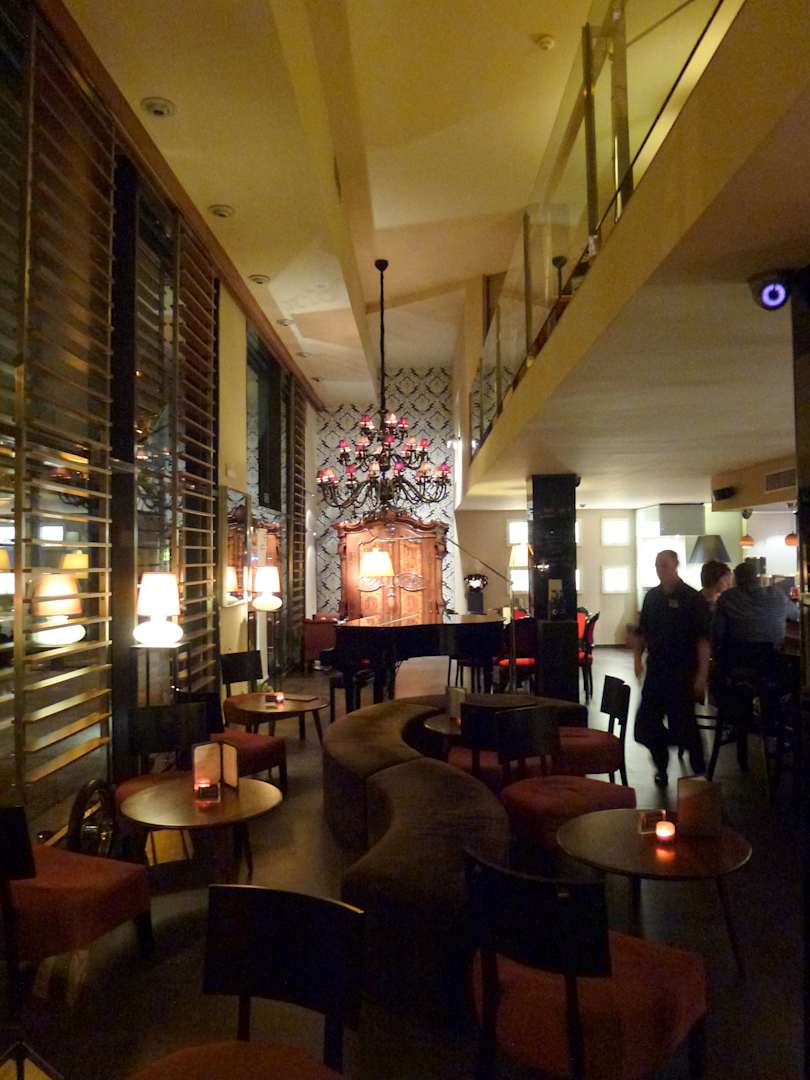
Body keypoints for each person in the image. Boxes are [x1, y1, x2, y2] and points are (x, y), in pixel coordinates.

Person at [633, 550, 711, 785]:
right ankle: (661, 762)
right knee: (646, 725)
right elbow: (642, 632)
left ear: (676, 565)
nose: (660, 570)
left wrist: (701, 675)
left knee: (684, 722)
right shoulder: (652, 597)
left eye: (664, 565)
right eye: (657, 565)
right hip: (657, 669)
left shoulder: (692, 598)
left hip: (683, 671)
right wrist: (637, 659)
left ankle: (699, 773)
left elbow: (702, 640)